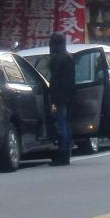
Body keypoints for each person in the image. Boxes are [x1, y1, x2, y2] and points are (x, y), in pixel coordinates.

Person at [47, 32, 76, 167]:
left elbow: (55, 81)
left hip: (60, 96)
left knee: (62, 124)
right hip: (70, 95)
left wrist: (53, 99)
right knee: (66, 123)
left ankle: (63, 153)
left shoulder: (57, 59)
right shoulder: (69, 57)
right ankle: (67, 152)